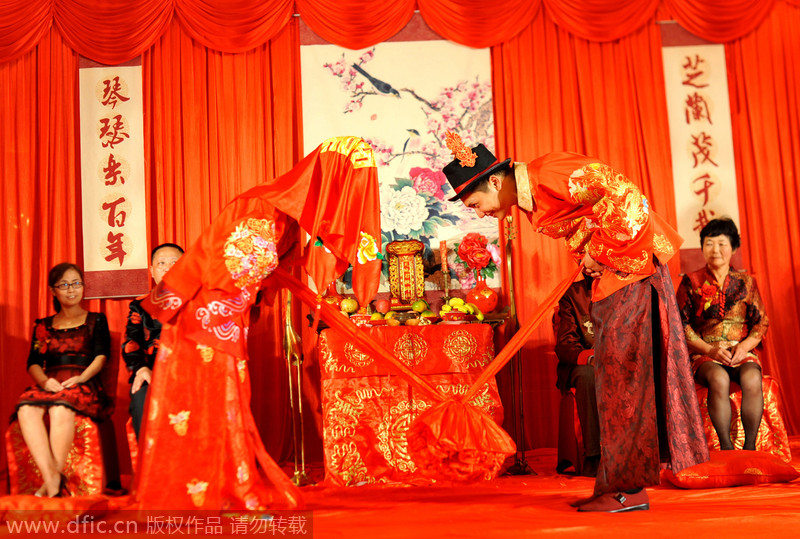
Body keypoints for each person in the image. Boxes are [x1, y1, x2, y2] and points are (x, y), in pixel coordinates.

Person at [441, 132, 708, 512]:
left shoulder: (549, 172)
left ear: (495, 182)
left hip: (632, 275)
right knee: (614, 382)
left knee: (624, 382)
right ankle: (617, 485)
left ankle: (627, 491)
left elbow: (626, 198)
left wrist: (598, 252)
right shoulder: (532, 191)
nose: (480, 212)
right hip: (616, 278)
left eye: (476, 202)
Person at [133, 136, 383, 511]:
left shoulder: (278, 212)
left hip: (221, 317)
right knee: (209, 403)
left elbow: (260, 270)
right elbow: (236, 270)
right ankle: (205, 489)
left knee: (225, 401)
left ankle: (218, 484)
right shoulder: (261, 207)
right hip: (206, 319)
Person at [14, 262, 111, 497]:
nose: (71, 290)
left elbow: (101, 356)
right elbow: (33, 362)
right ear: (53, 291)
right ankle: (54, 480)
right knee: (25, 409)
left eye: (76, 284)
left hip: (83, 383)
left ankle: (50, 485)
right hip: (51, 382)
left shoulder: (96, 320)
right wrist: (45, 382)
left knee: (60, 408)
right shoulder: (43, 325)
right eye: (64, 285)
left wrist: (82, 377)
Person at [675, 217, 768, 451]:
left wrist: (743, 348)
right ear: (702, 247)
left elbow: (760, 324)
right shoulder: (690, 281)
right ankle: (726, 448)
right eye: (709, 243)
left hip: (740, 351)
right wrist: (710, 350)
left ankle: (749, 447)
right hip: (705, 353)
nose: (715, 250)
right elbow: (681, 325)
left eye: (722, 244)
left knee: (752, 378)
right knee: (719, 378)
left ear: (734, 248)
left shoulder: (747, 282)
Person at [122, 242, 184, 439]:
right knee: (142, 397)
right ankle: (150, 468)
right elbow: (132, 343)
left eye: (175, 262)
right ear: (151, 270)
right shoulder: (140, 305)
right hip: (152, 372)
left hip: (190, 373)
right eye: (162, 263)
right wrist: (141, 368)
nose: (168, 268)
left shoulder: (200, 303)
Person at [554, 275, 600, 477]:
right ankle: (594, 456)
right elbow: (565, 344)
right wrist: (590, 358)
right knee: (588, 375)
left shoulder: (625, 288)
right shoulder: (573, 293)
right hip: (584, 364)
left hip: (620, 360)